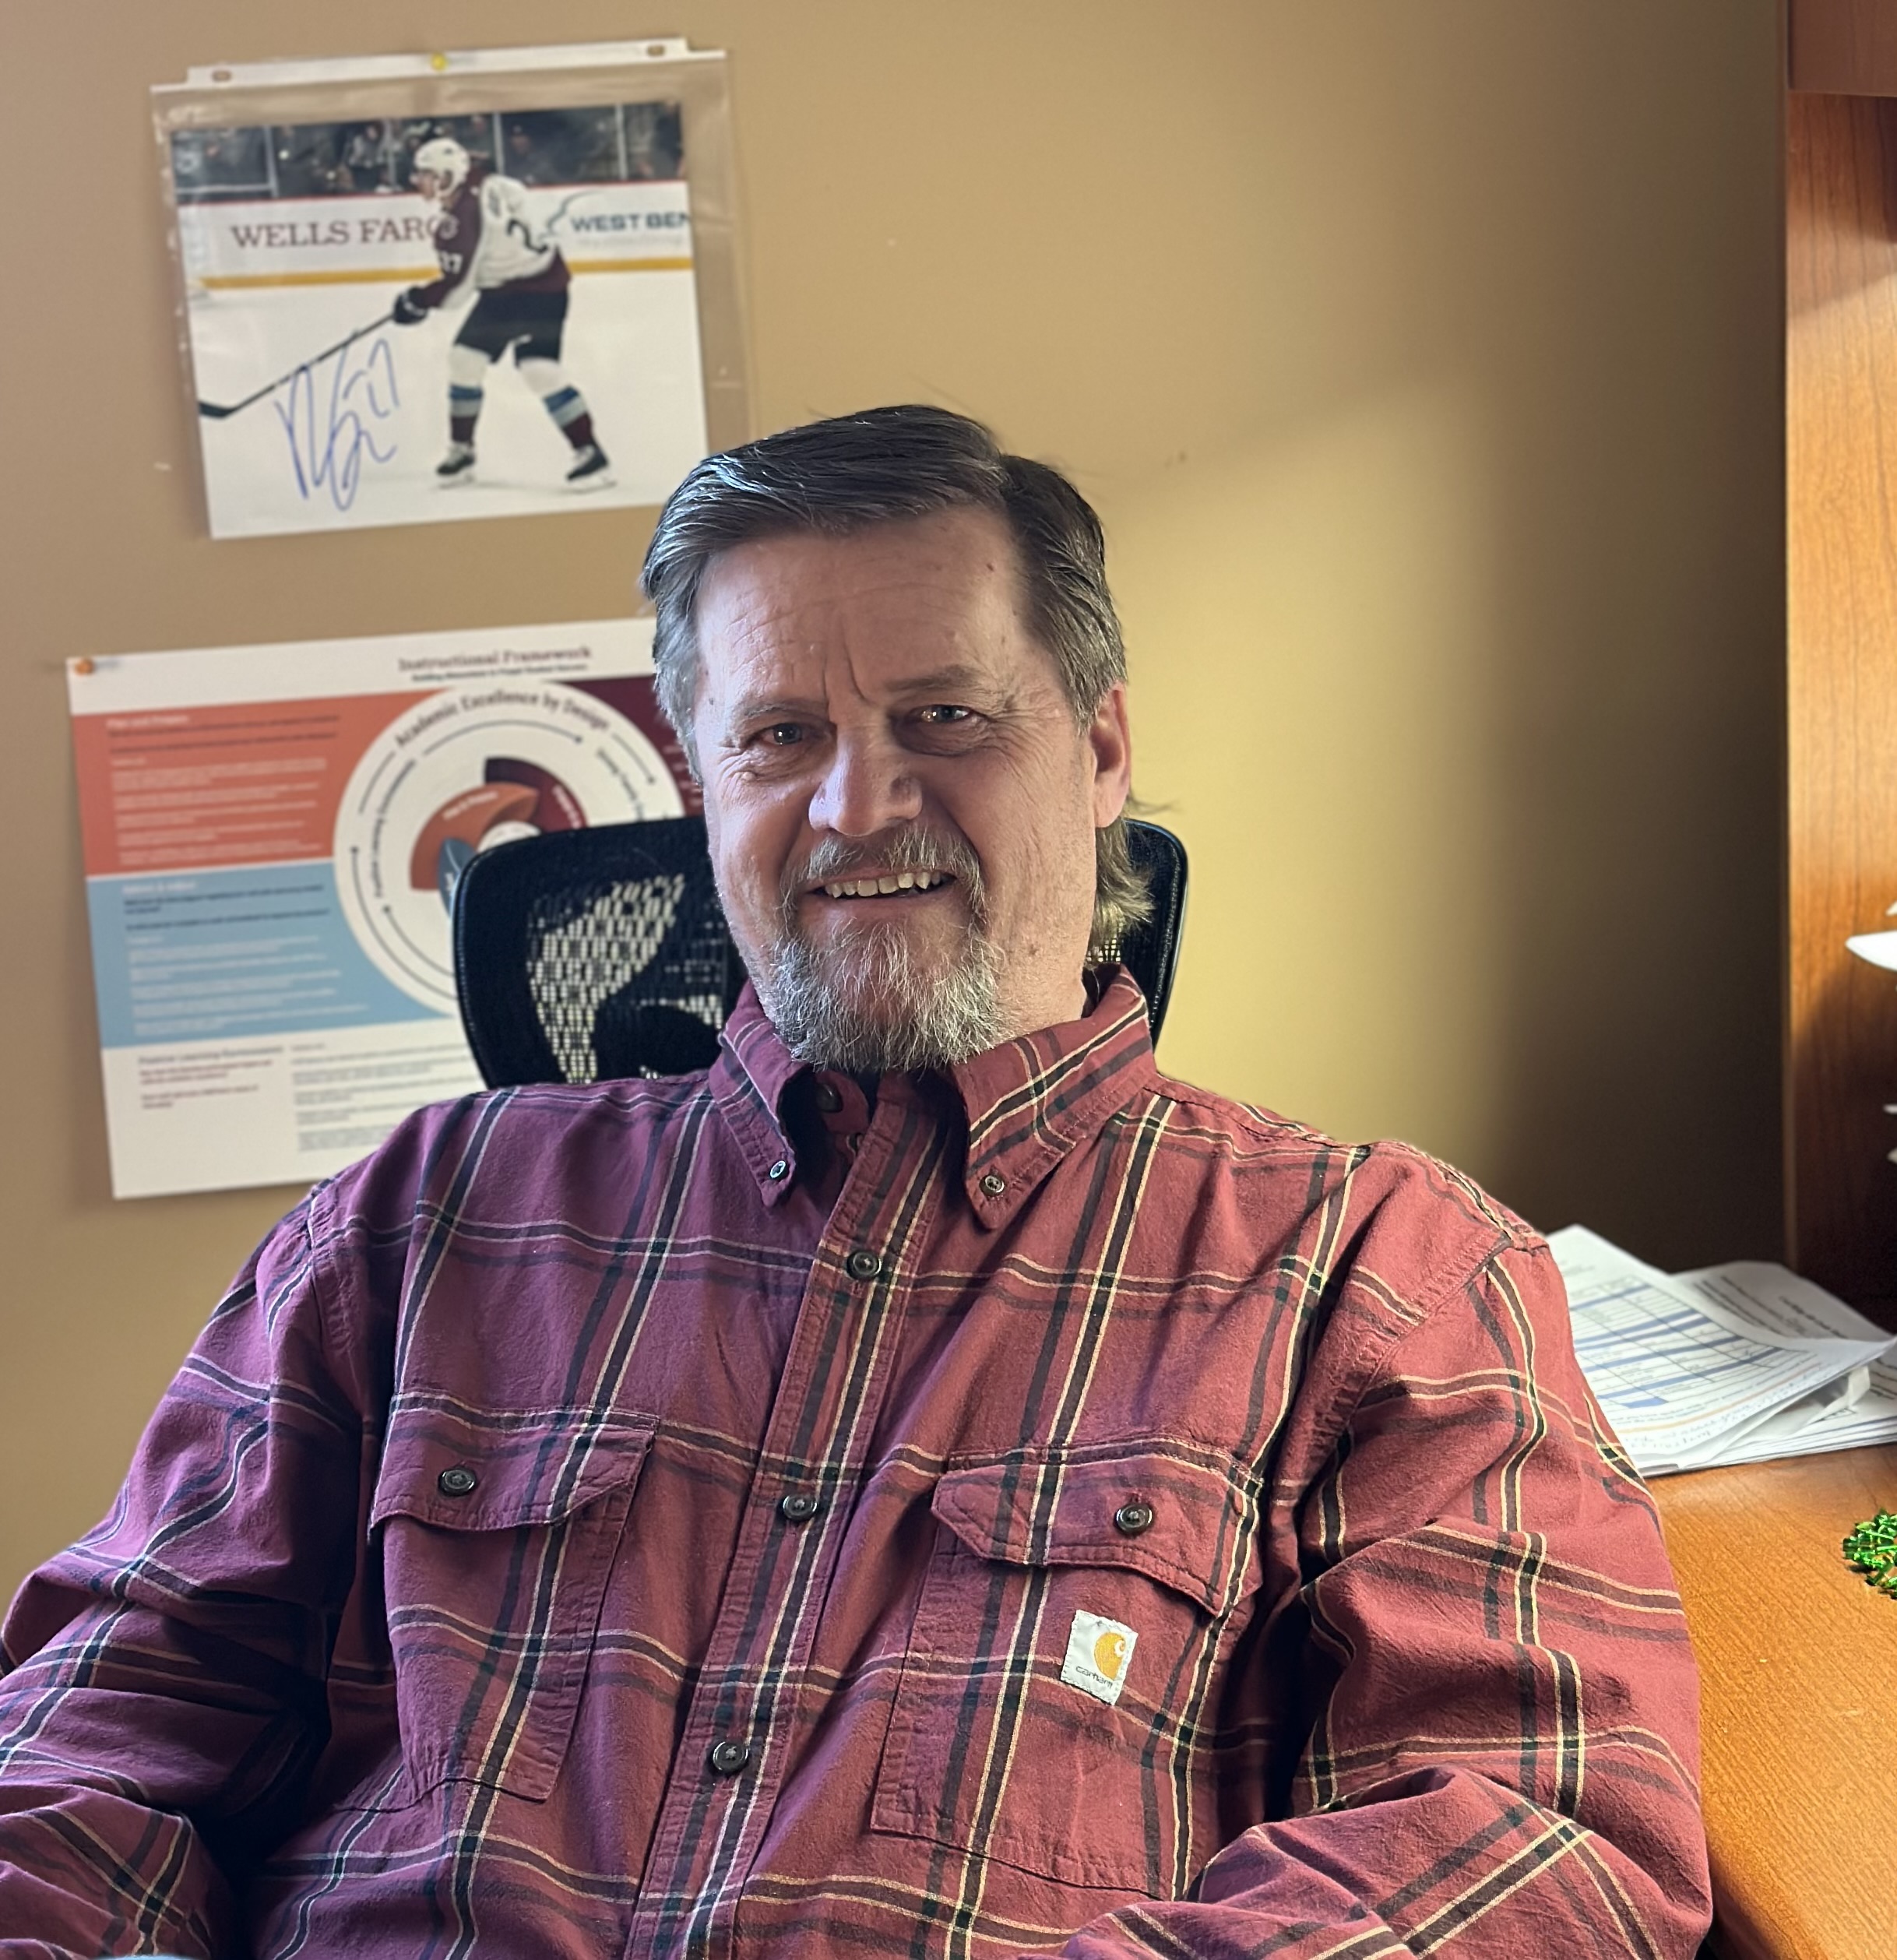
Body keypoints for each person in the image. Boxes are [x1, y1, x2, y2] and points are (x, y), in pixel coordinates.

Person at [0, 406, 1712, 1957]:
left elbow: (1542, 1830)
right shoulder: (429, 1212)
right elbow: (95, 1721)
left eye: (942, 715)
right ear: (702, 782)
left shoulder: (1374, 1261)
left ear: (1103, 749)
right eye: (780, 733)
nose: (857, 799)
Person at [390, 135, 611, 490]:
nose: (419, 181)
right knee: (464, 360)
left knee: (539, 370)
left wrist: (418, 300)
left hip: (536, 293)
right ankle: (462, 451)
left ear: (447, 176)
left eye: (427, 174)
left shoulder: (461, 220)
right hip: (523, 284)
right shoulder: (493, 183)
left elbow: (458, 291)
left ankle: (591, 454)